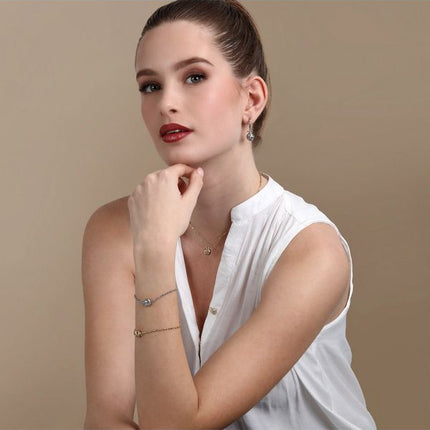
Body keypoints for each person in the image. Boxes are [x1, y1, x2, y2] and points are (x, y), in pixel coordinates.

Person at [82, 0, 377, 429]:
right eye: (150, 86)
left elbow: (178, 425)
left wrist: (154, 254)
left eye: (194, 77)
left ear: (251, 99)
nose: (167, 103)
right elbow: (105, 418)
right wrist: (150, 241)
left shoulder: (311, 249)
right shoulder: (113, 231)